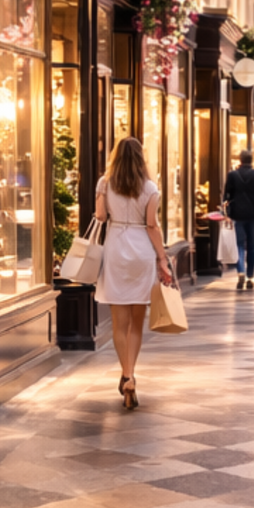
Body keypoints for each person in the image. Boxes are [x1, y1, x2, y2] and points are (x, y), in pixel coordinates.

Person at [94, 137, 172, 410]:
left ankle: (126, 374)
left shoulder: (105, 183)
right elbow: (152, 225)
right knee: (136, 323)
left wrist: (103, 197)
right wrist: (162, 259)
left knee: (119, 323)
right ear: (141, 158)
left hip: (116, 249)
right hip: (141, 252)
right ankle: (131, 374)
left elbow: (100, 217)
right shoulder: (150, 188)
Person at [222, 149, 254, 290]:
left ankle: (240, 271)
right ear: (251, 160)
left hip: (238, 213)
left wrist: (226, 214)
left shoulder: (232, 175)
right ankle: (250, 276)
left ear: (240, 160)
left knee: (239, 245)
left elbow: (226, 197)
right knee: (252, 246)